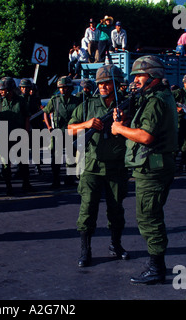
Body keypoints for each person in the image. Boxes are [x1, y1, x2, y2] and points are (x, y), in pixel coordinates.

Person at [111, 55, 178, 285]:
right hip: (155, 165)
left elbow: (146, 136)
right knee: (151, 214)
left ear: (153, 77)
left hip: (152, 167)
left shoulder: (156, 101)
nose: (136, 80)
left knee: (149, 217)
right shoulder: (158, 97)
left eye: (140, 75)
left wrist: (119, 129)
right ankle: (156, 265)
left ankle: (156, 268)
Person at [68, 65, 129, 267]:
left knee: (116, 209)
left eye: (106, 82)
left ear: (116, 84)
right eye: (100, 82)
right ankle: (86, 250)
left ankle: (116, 245)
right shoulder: (87, 105)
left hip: (116, 166)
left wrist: (123, 122)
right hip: (91, 165)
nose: (102, 86)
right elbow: (69, 129)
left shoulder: (127, 105)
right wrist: (86, 124)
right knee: (87, 209)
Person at [0, 77, 32, 196]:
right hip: (3, 136)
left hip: (19, 135)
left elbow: (27, 117)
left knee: (23, 162)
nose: (1, 91)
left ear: (10, 90)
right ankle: (9, 186)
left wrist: (26, 132)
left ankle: (26, 184)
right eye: (0, 90)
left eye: (3, 89)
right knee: (5, 163)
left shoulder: (21, 101)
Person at [43, 76, 81, 188]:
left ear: (70, 88)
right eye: (61, 88)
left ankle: (70, 179)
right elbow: (45, 112)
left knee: (71, 157)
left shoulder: (76, 101)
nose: (63, 90)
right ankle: (56, 180)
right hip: (58, 132)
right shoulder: (55, 100)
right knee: (56, 157)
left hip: (71, 133)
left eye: (65, 88)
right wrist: (49, 126)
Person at [172, 75, 186, 171]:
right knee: (175, 145)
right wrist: (176, 108)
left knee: (185, 147)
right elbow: (168, 99)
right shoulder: (179, 93)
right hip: (179, 123)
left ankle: (182, 165)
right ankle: (172, 166)